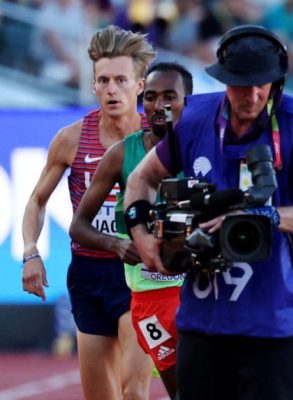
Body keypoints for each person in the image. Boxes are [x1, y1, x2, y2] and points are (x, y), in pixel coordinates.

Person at [124, 25, 293, 399]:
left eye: (263, 84)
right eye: (243, 84)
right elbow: (141, 178)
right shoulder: (195, 120)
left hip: (272, 318)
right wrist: (142, 234)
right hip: (201, 318)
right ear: (225, 80)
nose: (254, 94)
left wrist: (268, 218)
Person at [21, 25, 156, 400]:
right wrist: (31, 251)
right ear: (93, 86)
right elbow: (36, 201)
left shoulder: (158, 139)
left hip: (137, 272)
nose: (112, 89)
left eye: (120, 80)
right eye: (103, 81)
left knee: (133, 390)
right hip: (89, 273)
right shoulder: (70, 138)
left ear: (139, 86)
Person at [69, 62, 193, 398]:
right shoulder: (122, 154)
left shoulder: (203, 150)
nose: (159, 105)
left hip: (197, 293)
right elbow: (78, 226)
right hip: (148, 297)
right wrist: (116, 245)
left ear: (187, 101)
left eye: (170, 96)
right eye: (151, 97)